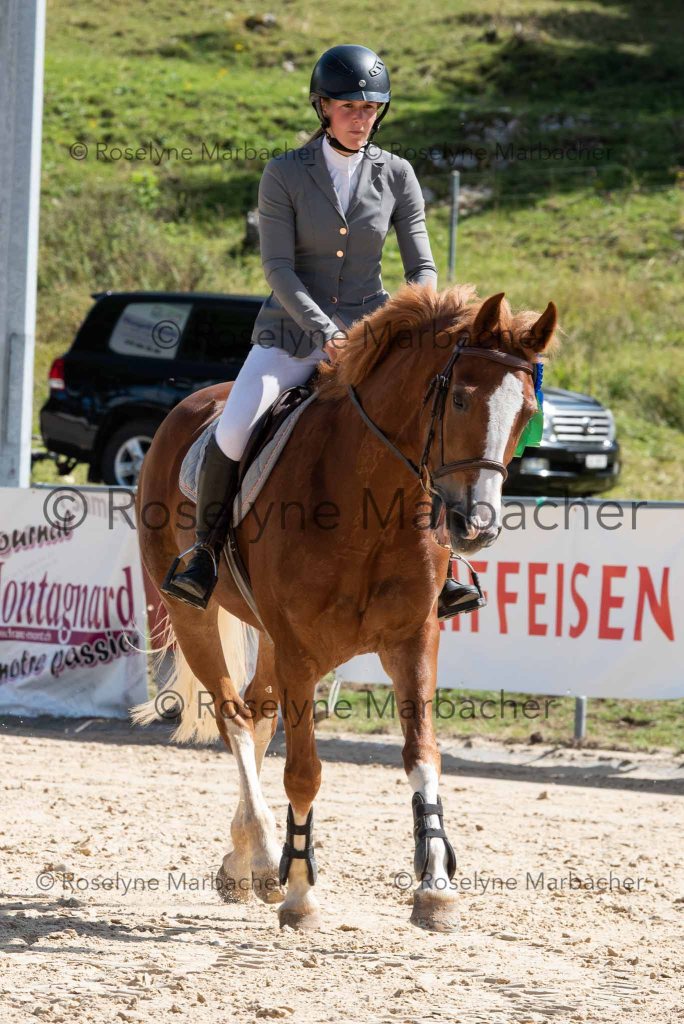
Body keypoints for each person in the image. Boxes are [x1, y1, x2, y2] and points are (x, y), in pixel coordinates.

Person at [161, 44, 482, 619]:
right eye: (349, 107)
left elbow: (421, 266)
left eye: (370, 108)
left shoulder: (398, 174)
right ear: (323, 108)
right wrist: (325, 331)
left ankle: (449, 560)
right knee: (234, 429)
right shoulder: (285, 172)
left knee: (428, 422)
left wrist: (417, 319)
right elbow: (278, 269)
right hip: (290, 335)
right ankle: (204, 554)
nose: (361, 118)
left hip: (373, 336)